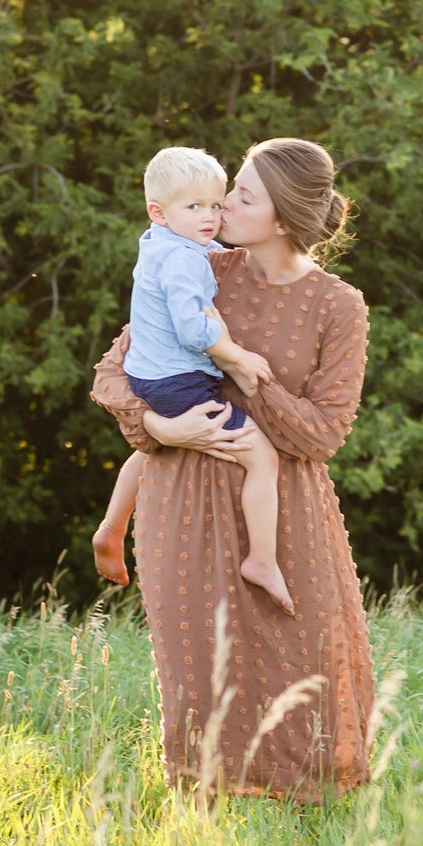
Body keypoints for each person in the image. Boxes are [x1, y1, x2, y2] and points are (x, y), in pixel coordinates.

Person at [91, 137, 374, 801]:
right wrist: (157, 425)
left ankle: (311, 827)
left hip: (284, 508)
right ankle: (203, 833)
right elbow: (113, 372)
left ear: (280, 219)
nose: (222, 206)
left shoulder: (338, 305)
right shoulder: (197, 268)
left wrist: (247, 375)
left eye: (241, 196)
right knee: (197, 674)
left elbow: (324, 431)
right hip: (180, 498)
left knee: (301, 667)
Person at [92, 146, 293, 613]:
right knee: (262, 457)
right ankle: (262, 560)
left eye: (216, 203)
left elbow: (210, 256)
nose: (211, 216)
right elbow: (191, 328)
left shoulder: (164, 241)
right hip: (177, 379)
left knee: (159, 446)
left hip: (153, 375)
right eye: (194, 207)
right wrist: (235, 355)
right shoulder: (183, 260)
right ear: (158, 212)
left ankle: (113, 525)